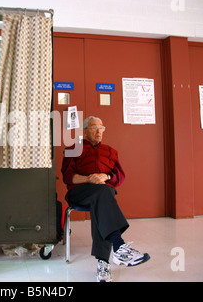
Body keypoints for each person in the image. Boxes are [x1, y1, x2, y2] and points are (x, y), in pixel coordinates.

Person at [61, 116, 149, 282]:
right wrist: (89, 179)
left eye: (101, 128)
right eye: (94, 127)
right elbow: (67, 177)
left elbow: (120, 176)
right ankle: (118, 246)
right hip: (80, 192)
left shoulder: (110, 151)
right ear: (84, 131)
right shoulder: (73, 149)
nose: (99, 131)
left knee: (102, 197)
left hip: (102, 194)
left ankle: (104, 263)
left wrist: (106, 175)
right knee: (103, 194)